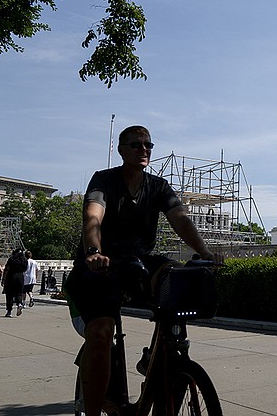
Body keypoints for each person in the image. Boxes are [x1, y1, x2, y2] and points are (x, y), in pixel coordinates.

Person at [67, 125, 219, 416]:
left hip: (137, 262)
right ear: (121, 150)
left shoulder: (158, 186)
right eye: (136, 144)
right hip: (100, 266)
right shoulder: (104, 180)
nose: (143, 149)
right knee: (101, 333)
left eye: (148, 145)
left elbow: (181, 219)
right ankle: (94, 409)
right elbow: (92, 216)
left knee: (177, 276)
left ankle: (160, 357)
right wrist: (94, 252)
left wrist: (204, 252)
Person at [2, 249, 28, 317]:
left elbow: (7, 269)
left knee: (9, 294)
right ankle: (19, 303)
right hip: (20, 277)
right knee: (19, 293)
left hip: (11, 276)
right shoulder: (24, 260)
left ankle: (9, 311)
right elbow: (25, 269)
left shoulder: (11, 259)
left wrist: (3, 279)